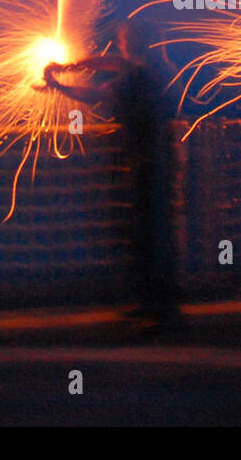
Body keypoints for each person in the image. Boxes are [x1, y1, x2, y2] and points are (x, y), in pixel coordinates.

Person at [44, 21, 184, 332]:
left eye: (123, 40)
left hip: (149, 164)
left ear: (135, 42)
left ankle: (159, 311)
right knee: (150, 234)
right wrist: (69, 65)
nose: (119, 45)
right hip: (156, 161)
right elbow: (110, 63)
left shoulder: (138, 75)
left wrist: (58, 85)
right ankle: (153, 305)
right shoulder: (150, 66)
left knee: (149, 236)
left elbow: (96, 95)